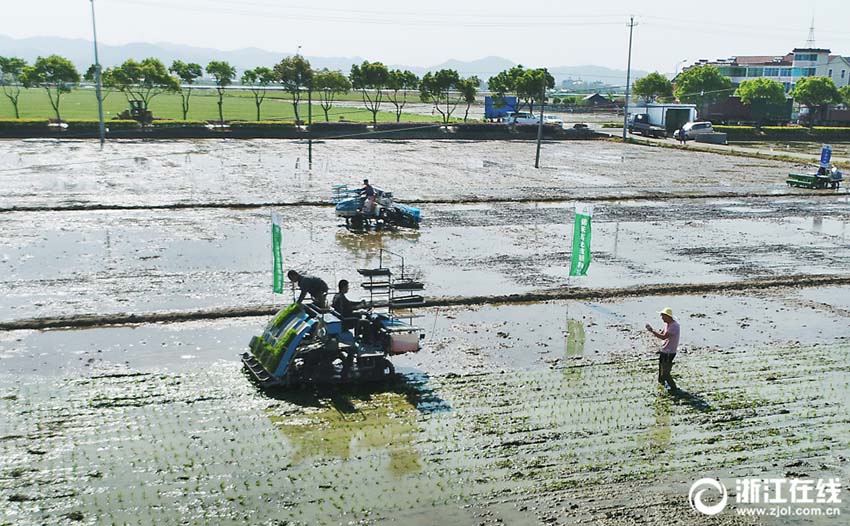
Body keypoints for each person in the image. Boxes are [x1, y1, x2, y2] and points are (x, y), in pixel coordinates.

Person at [645, 307, 680, 392]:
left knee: (666, 372)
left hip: (669, 352)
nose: (662, 318)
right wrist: (655, 331)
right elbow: (662, 334)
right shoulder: (667, 324)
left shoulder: (674, 326)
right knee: (661, 369)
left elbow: (663, 336)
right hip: (664, 351)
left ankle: (674, 389)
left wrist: (652, 331)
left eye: (663, 316)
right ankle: (661, 385)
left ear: (668, 316)